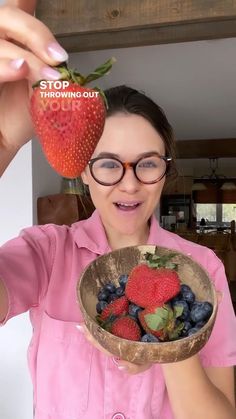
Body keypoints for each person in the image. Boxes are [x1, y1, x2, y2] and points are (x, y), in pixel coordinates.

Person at [0, 4, 236, 419]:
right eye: (108, 164)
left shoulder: (203, 269)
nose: (129, 184)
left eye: (147, 163)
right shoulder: (46, 253)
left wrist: (169, 344)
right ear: (84, 175)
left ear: (166, 172)